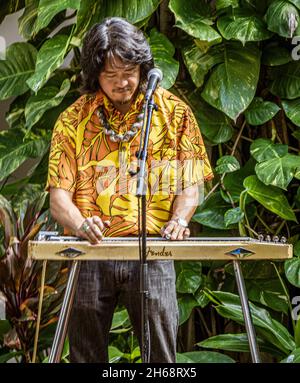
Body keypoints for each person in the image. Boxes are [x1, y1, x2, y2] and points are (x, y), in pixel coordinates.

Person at [47, 17, 213, 363]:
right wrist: (80, 225)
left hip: (153, 252)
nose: (123, 82)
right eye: (111, 75)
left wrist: (180, 220)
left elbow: (191, 183)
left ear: (143, 67)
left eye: (130, 72)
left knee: (162, 360)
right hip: (90, 253)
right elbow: (59, 197)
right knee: (84, 356)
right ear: (95, 75)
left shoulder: (175, 114)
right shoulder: (72, 120)